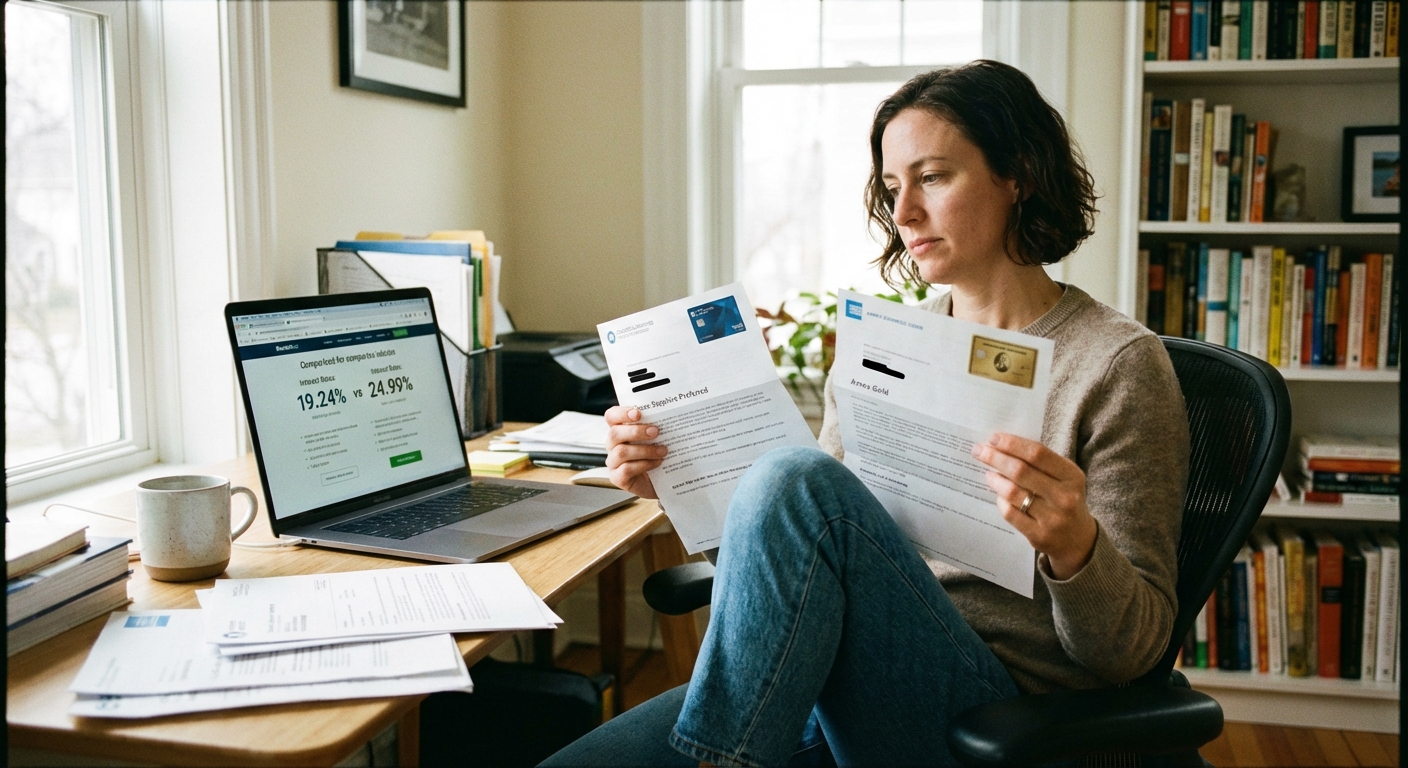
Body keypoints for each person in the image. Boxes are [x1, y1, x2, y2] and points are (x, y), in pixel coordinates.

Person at [543, 60, 1190, 767]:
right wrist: (682, 482)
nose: (904, 211)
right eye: (891, 187)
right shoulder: (893, 346)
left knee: (797, 477)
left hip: (994, 712)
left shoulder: (1117, 364)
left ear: (1019, 175)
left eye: (933, 177)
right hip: (835, 670)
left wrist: (1075, 549)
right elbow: (791, 578)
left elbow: (1134, 653)